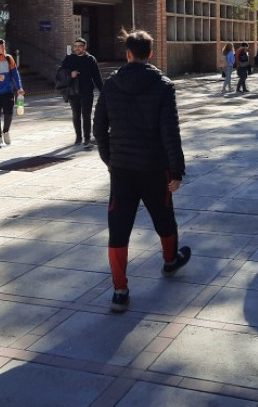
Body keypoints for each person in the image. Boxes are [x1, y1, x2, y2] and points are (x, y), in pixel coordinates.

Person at [93, 29, 190, 313]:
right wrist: (176, 171)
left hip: (121, 168)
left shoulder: (111, 85)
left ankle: (120, 290)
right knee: (163, 215)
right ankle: (170, 260)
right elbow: (169, 132)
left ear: (128, 53)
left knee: (118, 226)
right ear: (150, 53)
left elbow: (99, 129)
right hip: (154, 167)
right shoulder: (163, 85)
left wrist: (109, 159)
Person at [59, 38, 104, 147]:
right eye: (75, 46)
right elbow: (60, 73)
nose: (77, 48)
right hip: (73, 91)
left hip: (87, 91)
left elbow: (97, 77)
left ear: (84, 47)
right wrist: (71, 74)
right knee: (76, 115)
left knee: (86, 115)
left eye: (80, 46)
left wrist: (103, 91)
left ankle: (87, 139)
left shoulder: (90, 59)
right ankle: (78, 138)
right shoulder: (69, 59)